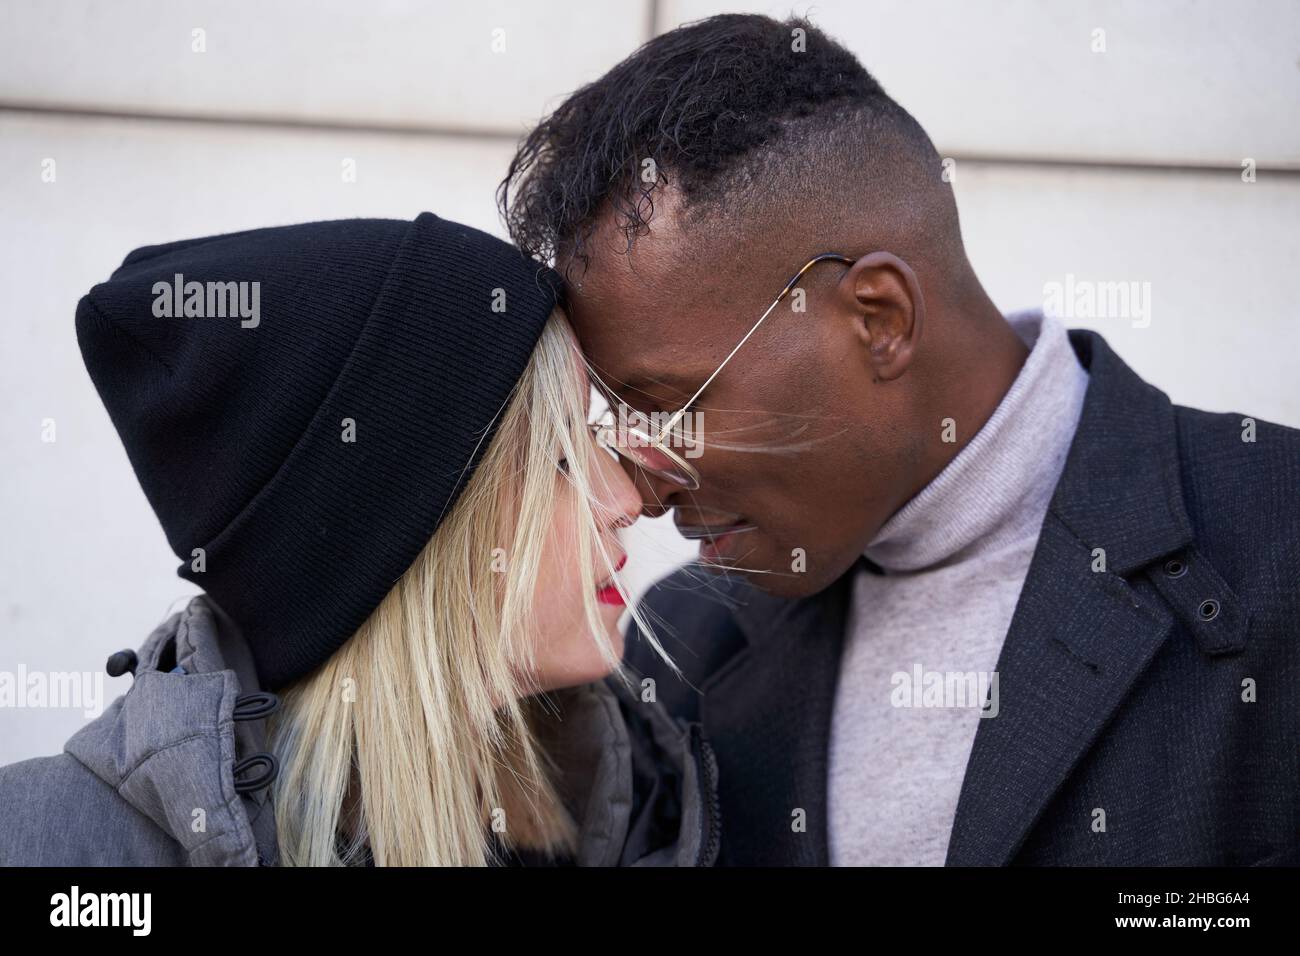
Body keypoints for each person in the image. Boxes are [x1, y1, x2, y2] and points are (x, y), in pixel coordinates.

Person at [498, 13, 1300, 865]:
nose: (639, 483)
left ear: (878, 318)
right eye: (615, 420)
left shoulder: (1276, 548)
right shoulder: (685, 644)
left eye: (669, 406)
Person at [0, 213, 719, 866]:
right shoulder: (41, 846)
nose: (627, 500)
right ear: (401, 544)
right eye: (557, 461)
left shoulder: (639, 810)